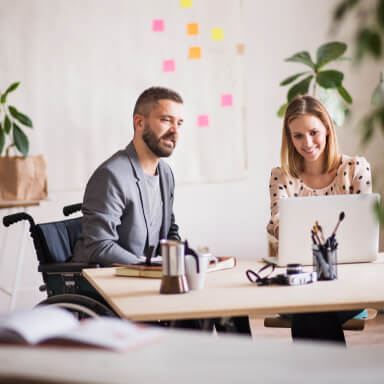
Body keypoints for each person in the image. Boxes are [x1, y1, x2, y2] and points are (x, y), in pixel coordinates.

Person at [73, 86, 251, 335]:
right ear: (139, 122)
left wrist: (190, 259)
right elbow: (99, 246)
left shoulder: (165, 173)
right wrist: (154, 269)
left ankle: (233, 368)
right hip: (117, 285)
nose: (175, 131)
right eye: (166, 120)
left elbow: (170, 230)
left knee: (228, 303)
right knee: (198, 308)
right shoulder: (111, 176)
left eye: (179, 122)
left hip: (154, 280)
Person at [267, 95, 371, 344]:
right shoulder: (281, 176)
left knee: (311, 311)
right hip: (300, 284)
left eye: (314, 132)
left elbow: (364, 230)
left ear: (327, 129)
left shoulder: (355, 168)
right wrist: (286, 231)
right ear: (289, 138)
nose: (308, 143)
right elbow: (279, 225)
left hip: (347, 284)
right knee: (310, 307)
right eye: (298, 135)